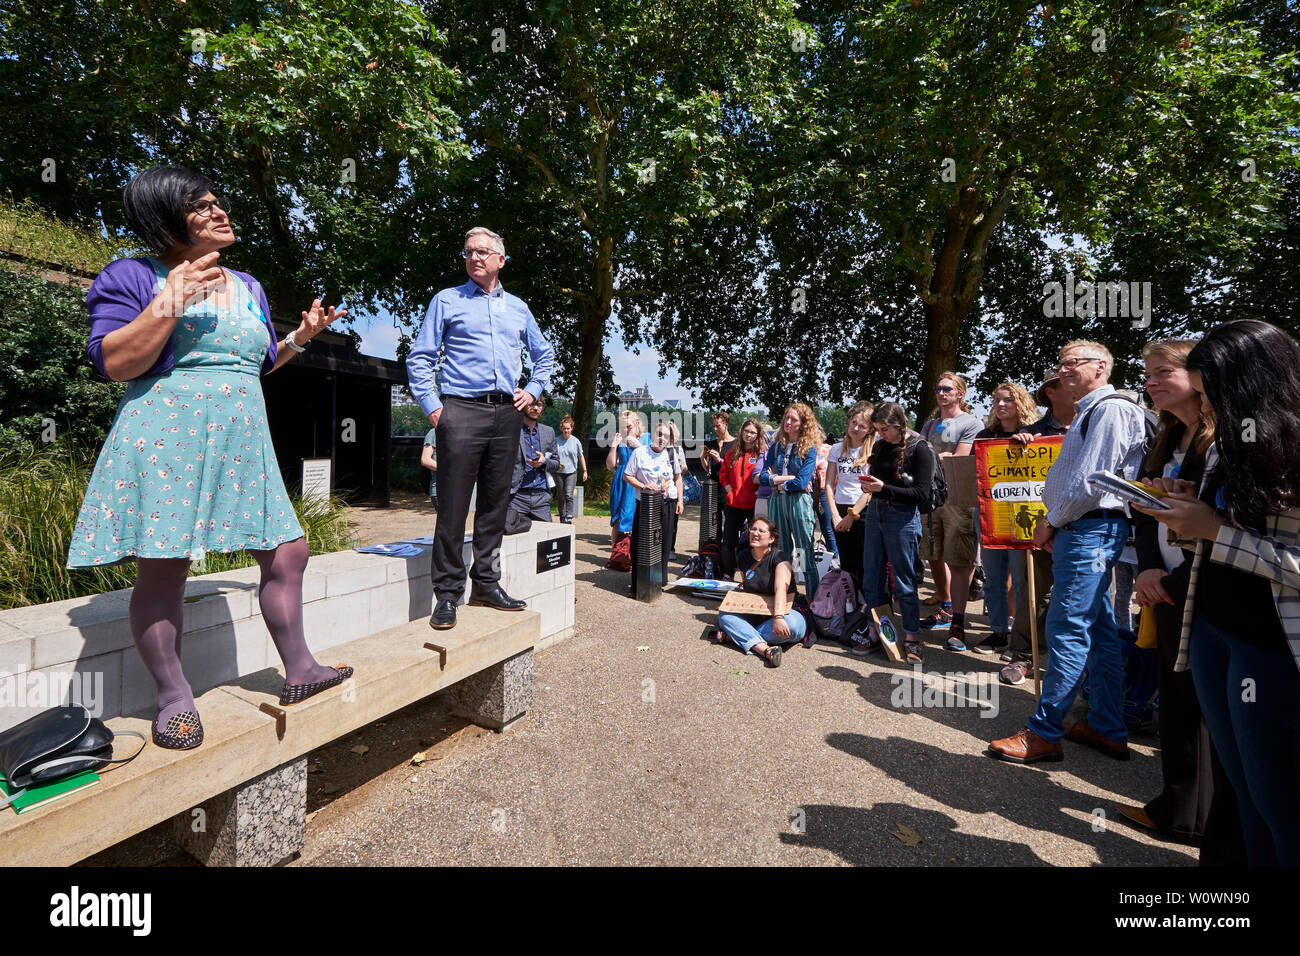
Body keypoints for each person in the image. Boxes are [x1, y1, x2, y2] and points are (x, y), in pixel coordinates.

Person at [66, 166, 352, 749]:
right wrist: (167, 303)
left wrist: (298, 340)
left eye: (218, 203)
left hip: (242, 440)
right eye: (201, 207)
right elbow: (115, 362)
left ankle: (301, 670)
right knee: (166, 565)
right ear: (165, 217)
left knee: (288, 548)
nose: (220, 213)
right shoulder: (132, 276)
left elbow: (251, 361)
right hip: (167, 437)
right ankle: (174, 698)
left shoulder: (246, 284)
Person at [1132, 320, 1300, 866]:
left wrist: (1213, 529)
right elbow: (1226, 523)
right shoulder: (1233, 441)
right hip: (1212, 631)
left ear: (1253, 386)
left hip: (1272, 651)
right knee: (1243, 794)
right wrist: (1185, 504)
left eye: (1212, 396)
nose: (1207, 410)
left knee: (1280, 804)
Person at [989, 340, 1148, 764]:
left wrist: (1051, 520)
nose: (1062, 370)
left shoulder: (1110, 409)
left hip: (1088, 529)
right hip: (1081, 529)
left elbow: (1091, 482)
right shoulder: (1092, 412)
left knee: (1066, 629)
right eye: (1060, 363)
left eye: (1072, 363)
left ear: (1101, 366)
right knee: (1096, 631)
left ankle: (1044, 732)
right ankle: (1106, 726)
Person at [1119, 339, 1243, 861]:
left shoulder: (1229, 442)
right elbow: (1147, 510)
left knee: (1209, 707)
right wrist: (1149, 567)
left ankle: (1203, 817)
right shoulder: (1164, 436)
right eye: (1146, 372)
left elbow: (1230, 526)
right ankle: (1178, 807)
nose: (1150, 380)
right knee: (1175, 699)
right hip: (1162, 581)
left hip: (1202, 585)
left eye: (1162, 371)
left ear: (1197, 376)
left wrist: (1172, 581)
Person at [407, 226, 554, 631]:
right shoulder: (446, 301)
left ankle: (487, 583)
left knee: (496, 504)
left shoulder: (519, 309)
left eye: (483, 252)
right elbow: (420, 359)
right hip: (460, 410)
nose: (474, 257)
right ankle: (447, 595)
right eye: (469, 251)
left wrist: (534, 390)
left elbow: (545, 356)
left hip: (506, 412)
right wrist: (435, 409)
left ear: (501, 260)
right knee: (453, 506)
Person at [999, 369, 1075, 684]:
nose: (1076, 388)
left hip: (1085, 525)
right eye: (1065, 383)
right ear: (1051, 393)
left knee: (1081, 595)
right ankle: (1023, 655)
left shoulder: (1093, 426)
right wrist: (1016, 447)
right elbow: (1009, 477)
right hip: (1041, 526)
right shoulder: (1034, 432)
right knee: (1035, 590)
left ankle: (1077, 667)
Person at [853, 402, 933, 662]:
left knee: (904, 580)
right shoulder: (879, 446)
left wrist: (883, 488)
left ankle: (911, 636)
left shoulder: (919, 448)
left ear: (899, 424)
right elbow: (880, 483)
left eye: (884, 429)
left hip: (903, 517)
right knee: (872, 575)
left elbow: (921, 494)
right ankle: (876, 629)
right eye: (876, 429)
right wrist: (869, 487)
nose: (880, 434)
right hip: (876, 512)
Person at [969, 383, 1040, 655]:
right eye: (997, 400)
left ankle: (1022, 638)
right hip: (989, 515)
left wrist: (1029, 442)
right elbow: (973, 473)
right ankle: (998, 631)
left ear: (1020, 403)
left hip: (1025, 516)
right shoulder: (984, 436)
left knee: (1023, 580)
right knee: (993, 577)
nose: (1000, 405)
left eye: (1007, 400)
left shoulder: (1036, 434)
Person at [919, 372, 983, 647]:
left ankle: (958, 621)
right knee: (932, 554)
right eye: (938, 389)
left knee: (959, 560)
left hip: (958, 499)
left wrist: (933, 457)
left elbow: (958, 458)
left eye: (947, 389)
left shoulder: (971, 423)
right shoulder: (930, 424)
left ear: (960, 394)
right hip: (930, 498)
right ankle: (945, 606)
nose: (941, 393)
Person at [717, 517, 808, 667]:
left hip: (785, 610)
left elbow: (781, 590)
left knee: (793, 625)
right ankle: (765, 650)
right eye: (753, 529)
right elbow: (748, 589)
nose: (755, 533)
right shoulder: (743, 557)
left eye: (761, 531)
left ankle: (736, 636)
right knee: (724, 615)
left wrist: (778, 617)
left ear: (771, 538)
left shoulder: (780, 557)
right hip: (759, 612)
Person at [759, 403, 824, 597]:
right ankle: (787, 595)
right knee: (782, 552)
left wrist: (778, 481)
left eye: (793, 419)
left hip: (798, 502)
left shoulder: (809, 448)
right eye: (786, 418)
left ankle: (813, 600)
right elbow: (763, 477)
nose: (788, 422)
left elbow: (803, 481)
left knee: (804, 552)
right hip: (777, 501)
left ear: (803, 423)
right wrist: (785, 480)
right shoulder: (777, 446)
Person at [623, 419, 685, 592]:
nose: (661, 439)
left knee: (664, 542)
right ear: (652, 434)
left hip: (668, 502)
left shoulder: (672, 454)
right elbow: (627, 475)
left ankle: (659, 580)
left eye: (666, 436)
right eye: (659, 434)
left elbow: (678, 478)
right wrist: (643, 486)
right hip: (646, 503)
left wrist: (680, 500)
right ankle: (639, 582)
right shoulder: (640, 453)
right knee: (641, 543)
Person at [824, 401, 875, 593]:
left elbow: (869, 489)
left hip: (863, 510)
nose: (856, 428)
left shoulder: (872, 450)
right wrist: (835, 514)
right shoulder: (836, 449)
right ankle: (849, 604)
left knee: (864, 562)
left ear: (870, 429)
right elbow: (829, 483)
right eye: (853, 423)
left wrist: (851, 516)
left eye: (862, 426)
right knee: (846, 563)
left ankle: (867, 606)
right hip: (840, 508)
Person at [719, 418, 766, 578]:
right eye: (746, 431)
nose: (749, 435)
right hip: (734, 503)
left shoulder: (761, 454)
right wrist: (729, 490)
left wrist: (757, 491)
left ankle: (751, 575)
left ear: (757, 435)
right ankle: (728, 573)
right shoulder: (732, 453)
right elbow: (723, 474)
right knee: (728, 542)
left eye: (753, 432)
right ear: (741, 432)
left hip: (753, 505)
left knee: (754, 542)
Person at [508, 396, 563, 521]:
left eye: (539, 404)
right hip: (517, 496)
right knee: (514, 537)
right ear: (524, 405)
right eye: (532, 404)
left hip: (541, 497)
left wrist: (544, 462)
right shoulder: (511, 430)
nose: (536, 408)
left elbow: (556, 463)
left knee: (546, 538)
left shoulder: (548, 432)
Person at [606, 410, 644, 546]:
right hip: (620, 481)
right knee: (616, 516)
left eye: (629, 426)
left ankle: (631, 555)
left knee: (632, 516)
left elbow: (651, 460)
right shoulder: (620, 440)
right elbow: (610, 465)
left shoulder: (645, 439)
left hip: (635, 481)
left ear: (637, 424)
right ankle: (615, 555)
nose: (626, 430)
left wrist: (638, 445)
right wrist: (613, 446)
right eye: (623, 427)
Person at [701, 411, 734, 539]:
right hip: (712, 485)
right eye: (713, 426)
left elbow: (734, 468)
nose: (715, 429)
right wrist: (702, 458)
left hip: (727, 486)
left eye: (718, 426)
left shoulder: (735, 444)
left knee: (729, 520)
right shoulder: (711, 444)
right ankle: (714, 549)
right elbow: (707, 469)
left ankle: (727, 549)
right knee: (713, 521)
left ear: (725, 424)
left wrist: (720, 459)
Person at [554, 414, 587, 524]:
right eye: (564, 428)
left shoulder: (576, 441)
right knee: (561, 495)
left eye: (568, 428)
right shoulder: (556, 440)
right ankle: (562, 516)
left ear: (572, 428)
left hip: (571, 472)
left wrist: (585, 471)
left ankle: (569, 516)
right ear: (561, 428)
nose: (566, 431)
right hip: (558, 472)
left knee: (568, 494)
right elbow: (551, 455)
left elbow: (580, 456)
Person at [421, 426, 438, 511]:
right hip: (440, 490)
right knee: (448, 523)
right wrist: (450, 470)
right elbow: (425, 460)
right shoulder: (434, 432)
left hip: (460, 489)